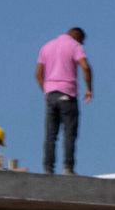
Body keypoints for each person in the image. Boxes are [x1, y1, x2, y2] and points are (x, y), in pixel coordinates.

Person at [35, 27, 93, 174]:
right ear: (78, 38)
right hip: (67, 94)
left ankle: (48, 168)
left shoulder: (46, 46)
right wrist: (89, 89)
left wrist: (47, 90)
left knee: (50, 134)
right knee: (69, 133)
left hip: (51, 95)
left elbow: (38, 74)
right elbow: (85, 67)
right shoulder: (74, 45)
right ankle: (68, 167)